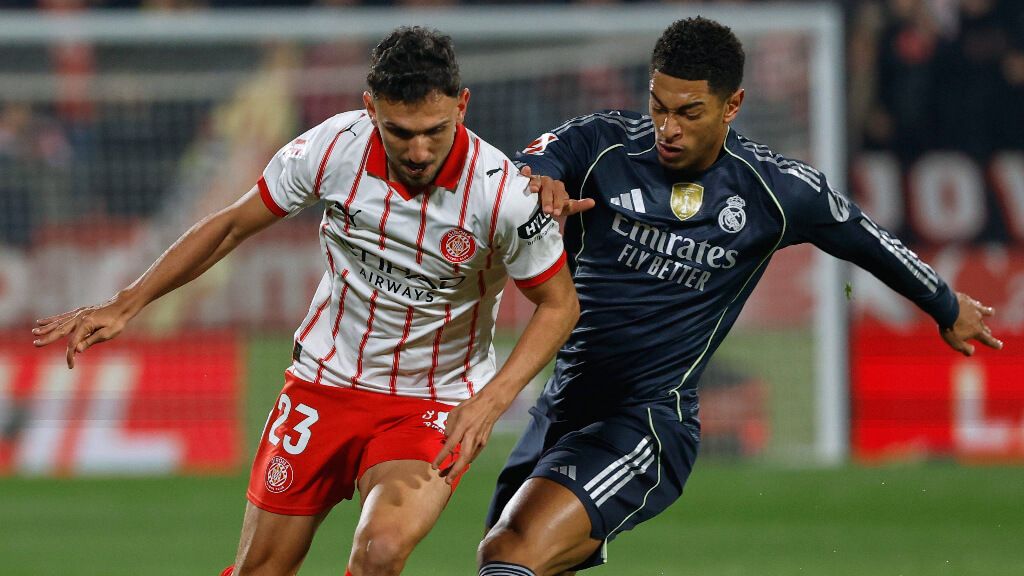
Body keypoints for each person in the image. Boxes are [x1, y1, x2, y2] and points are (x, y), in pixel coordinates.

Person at [31, 27, 579, 576]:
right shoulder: (333, 148)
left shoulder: (503, 195)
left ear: (462, 105)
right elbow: (230, 226)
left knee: (381, 552)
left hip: (428, 401)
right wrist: (127, 303)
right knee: (260, 570)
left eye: (434, 131)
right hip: (324, 384)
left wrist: (491, 400)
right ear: (369, 109)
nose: (418, 151)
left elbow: (559, 305)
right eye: (398, 132)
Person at [478, 17, 1002, 576]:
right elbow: (527, 167)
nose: (667, 128)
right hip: (560, 409)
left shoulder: (774, 191)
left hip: (646, 422)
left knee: (511, 551)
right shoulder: (601, 146)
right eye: (658, 106)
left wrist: (946, 306)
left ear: (733, 106)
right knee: (509, 562)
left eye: (689, 112)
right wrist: (538, 181)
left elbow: (867, 240)